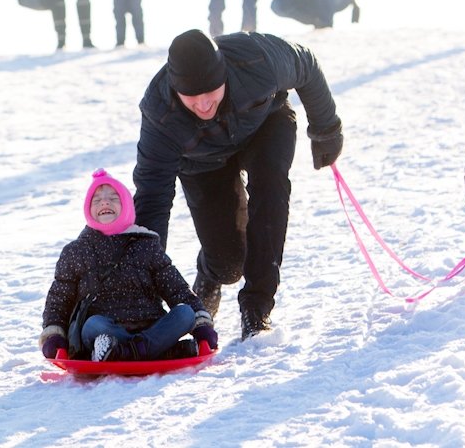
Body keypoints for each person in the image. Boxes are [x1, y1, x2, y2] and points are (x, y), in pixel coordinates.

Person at [133, 30, 344, 340]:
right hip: (201, 160)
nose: (204, 104)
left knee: (271, 187)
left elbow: (306, 66)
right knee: (228, 262)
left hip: (264, 124)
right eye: (192, 95)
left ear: (225, 75)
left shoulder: (257, 59)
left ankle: (257, 308)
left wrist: (327, 129)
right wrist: (142, 290)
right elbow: (152, 198)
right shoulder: (159, 114)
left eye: (211, 91)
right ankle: (211, 274)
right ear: (175, 89)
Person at [40, 169, 218, 363]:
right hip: (105, 330)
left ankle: (122, 352)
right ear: (88, 210)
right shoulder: (75, 251)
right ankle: (157, 351)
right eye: (96, 200)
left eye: (114, 198)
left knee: (185, 313)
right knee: (92, 325)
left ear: (126, 206)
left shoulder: (146, 245)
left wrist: (202, 325)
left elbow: (176, 288)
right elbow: (59, 297)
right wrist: (54, 334)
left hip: (151, 325)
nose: (105, 202)